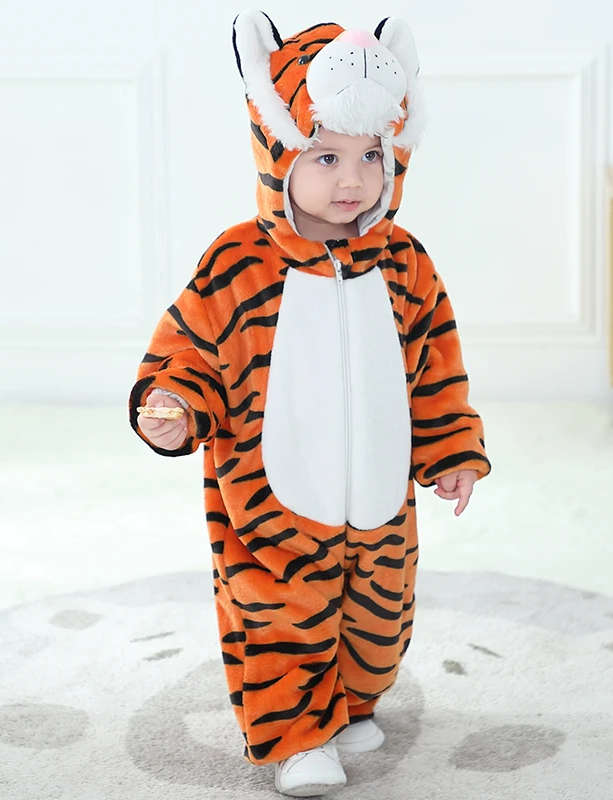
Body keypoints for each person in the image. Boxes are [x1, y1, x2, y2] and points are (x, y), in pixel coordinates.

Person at [129, 10, 491, 798]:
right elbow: (189, 347)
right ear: (278, 149)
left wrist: (452, 449)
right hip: (270, 503)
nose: (351, 180)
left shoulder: (404, 263)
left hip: (380, 499)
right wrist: (173, 402)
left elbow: (436, 365)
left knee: (380, 623)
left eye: (371, 155)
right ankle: (296, 737)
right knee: (279, 616)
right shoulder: (240, 260)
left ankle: (350, 701)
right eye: (325, 156)